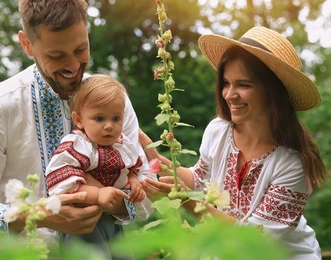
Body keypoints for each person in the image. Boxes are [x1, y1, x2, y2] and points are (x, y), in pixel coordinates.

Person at [0, 0, 154, 259]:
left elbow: (146, 184)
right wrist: (38, 215)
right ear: (26, 44)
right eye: (57, 55)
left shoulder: (110, 101)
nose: (74, 66)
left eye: (81, 49)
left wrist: (117, 201)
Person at [140, 26, 329, 260]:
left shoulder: (292, 162)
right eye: (226, 83)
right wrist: (154, 157)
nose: (229, 94)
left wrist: (188, 202)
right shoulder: (217, 131)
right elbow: (200, 180)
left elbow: (255, 241)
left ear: (273, 91)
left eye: (244, 85)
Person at [45, 74, 150, 257]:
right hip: (81, 223)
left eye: (116, 118)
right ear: (78, 120)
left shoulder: (122, 145)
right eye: (99, 118)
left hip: (111, 220)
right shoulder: (77, 145)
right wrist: (98, 193)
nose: (109, 126)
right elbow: (62, 179)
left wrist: (134, 182)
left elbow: (132, 167)